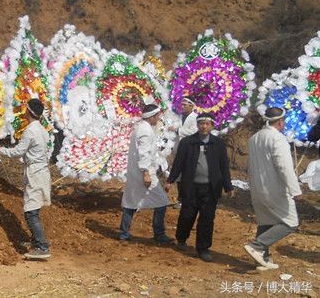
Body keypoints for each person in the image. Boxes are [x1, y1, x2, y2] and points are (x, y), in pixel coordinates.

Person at [164, 113, 233, 262]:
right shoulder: (188, 143)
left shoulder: (218, 144)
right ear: (197, 125)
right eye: (201, 123)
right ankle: (181, 238)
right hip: (190, 187)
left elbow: (224, 166)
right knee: (187, 214)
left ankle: (203, 248)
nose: (204, 126)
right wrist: (170, 180)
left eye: (207, 123)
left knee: (207, 218)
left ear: (212, 126)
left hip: (211, 188)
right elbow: (179, 163)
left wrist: (228, 186)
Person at [0, 98, 52, 259]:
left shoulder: (30, 131)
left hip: (35, 173)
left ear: (29, 112)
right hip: (40, 172)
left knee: (31, 211)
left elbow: (17, 152)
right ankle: (36, 242)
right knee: (34, 208)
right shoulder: (42, 130)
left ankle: (42, 246)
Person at [244, 107, 302, 271]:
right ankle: (257, 245)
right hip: (275, 189)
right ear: (281, 122)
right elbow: (284, 167)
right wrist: (295, 190)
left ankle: (263, 259)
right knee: (291, 222)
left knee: (266, 221)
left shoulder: (254, 138)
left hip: (258, 188)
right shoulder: (277, 138)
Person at [119, 104, 174, 243]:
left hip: (136, 172)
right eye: (157, 116)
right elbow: (144, 153)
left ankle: (124, 233)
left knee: (131, 201)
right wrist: (146, 173)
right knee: (161, 201)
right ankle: (159, 234)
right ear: (153, 117)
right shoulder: (145, 130)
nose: (158, 119)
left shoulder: (141, 128)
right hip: (143, 172)